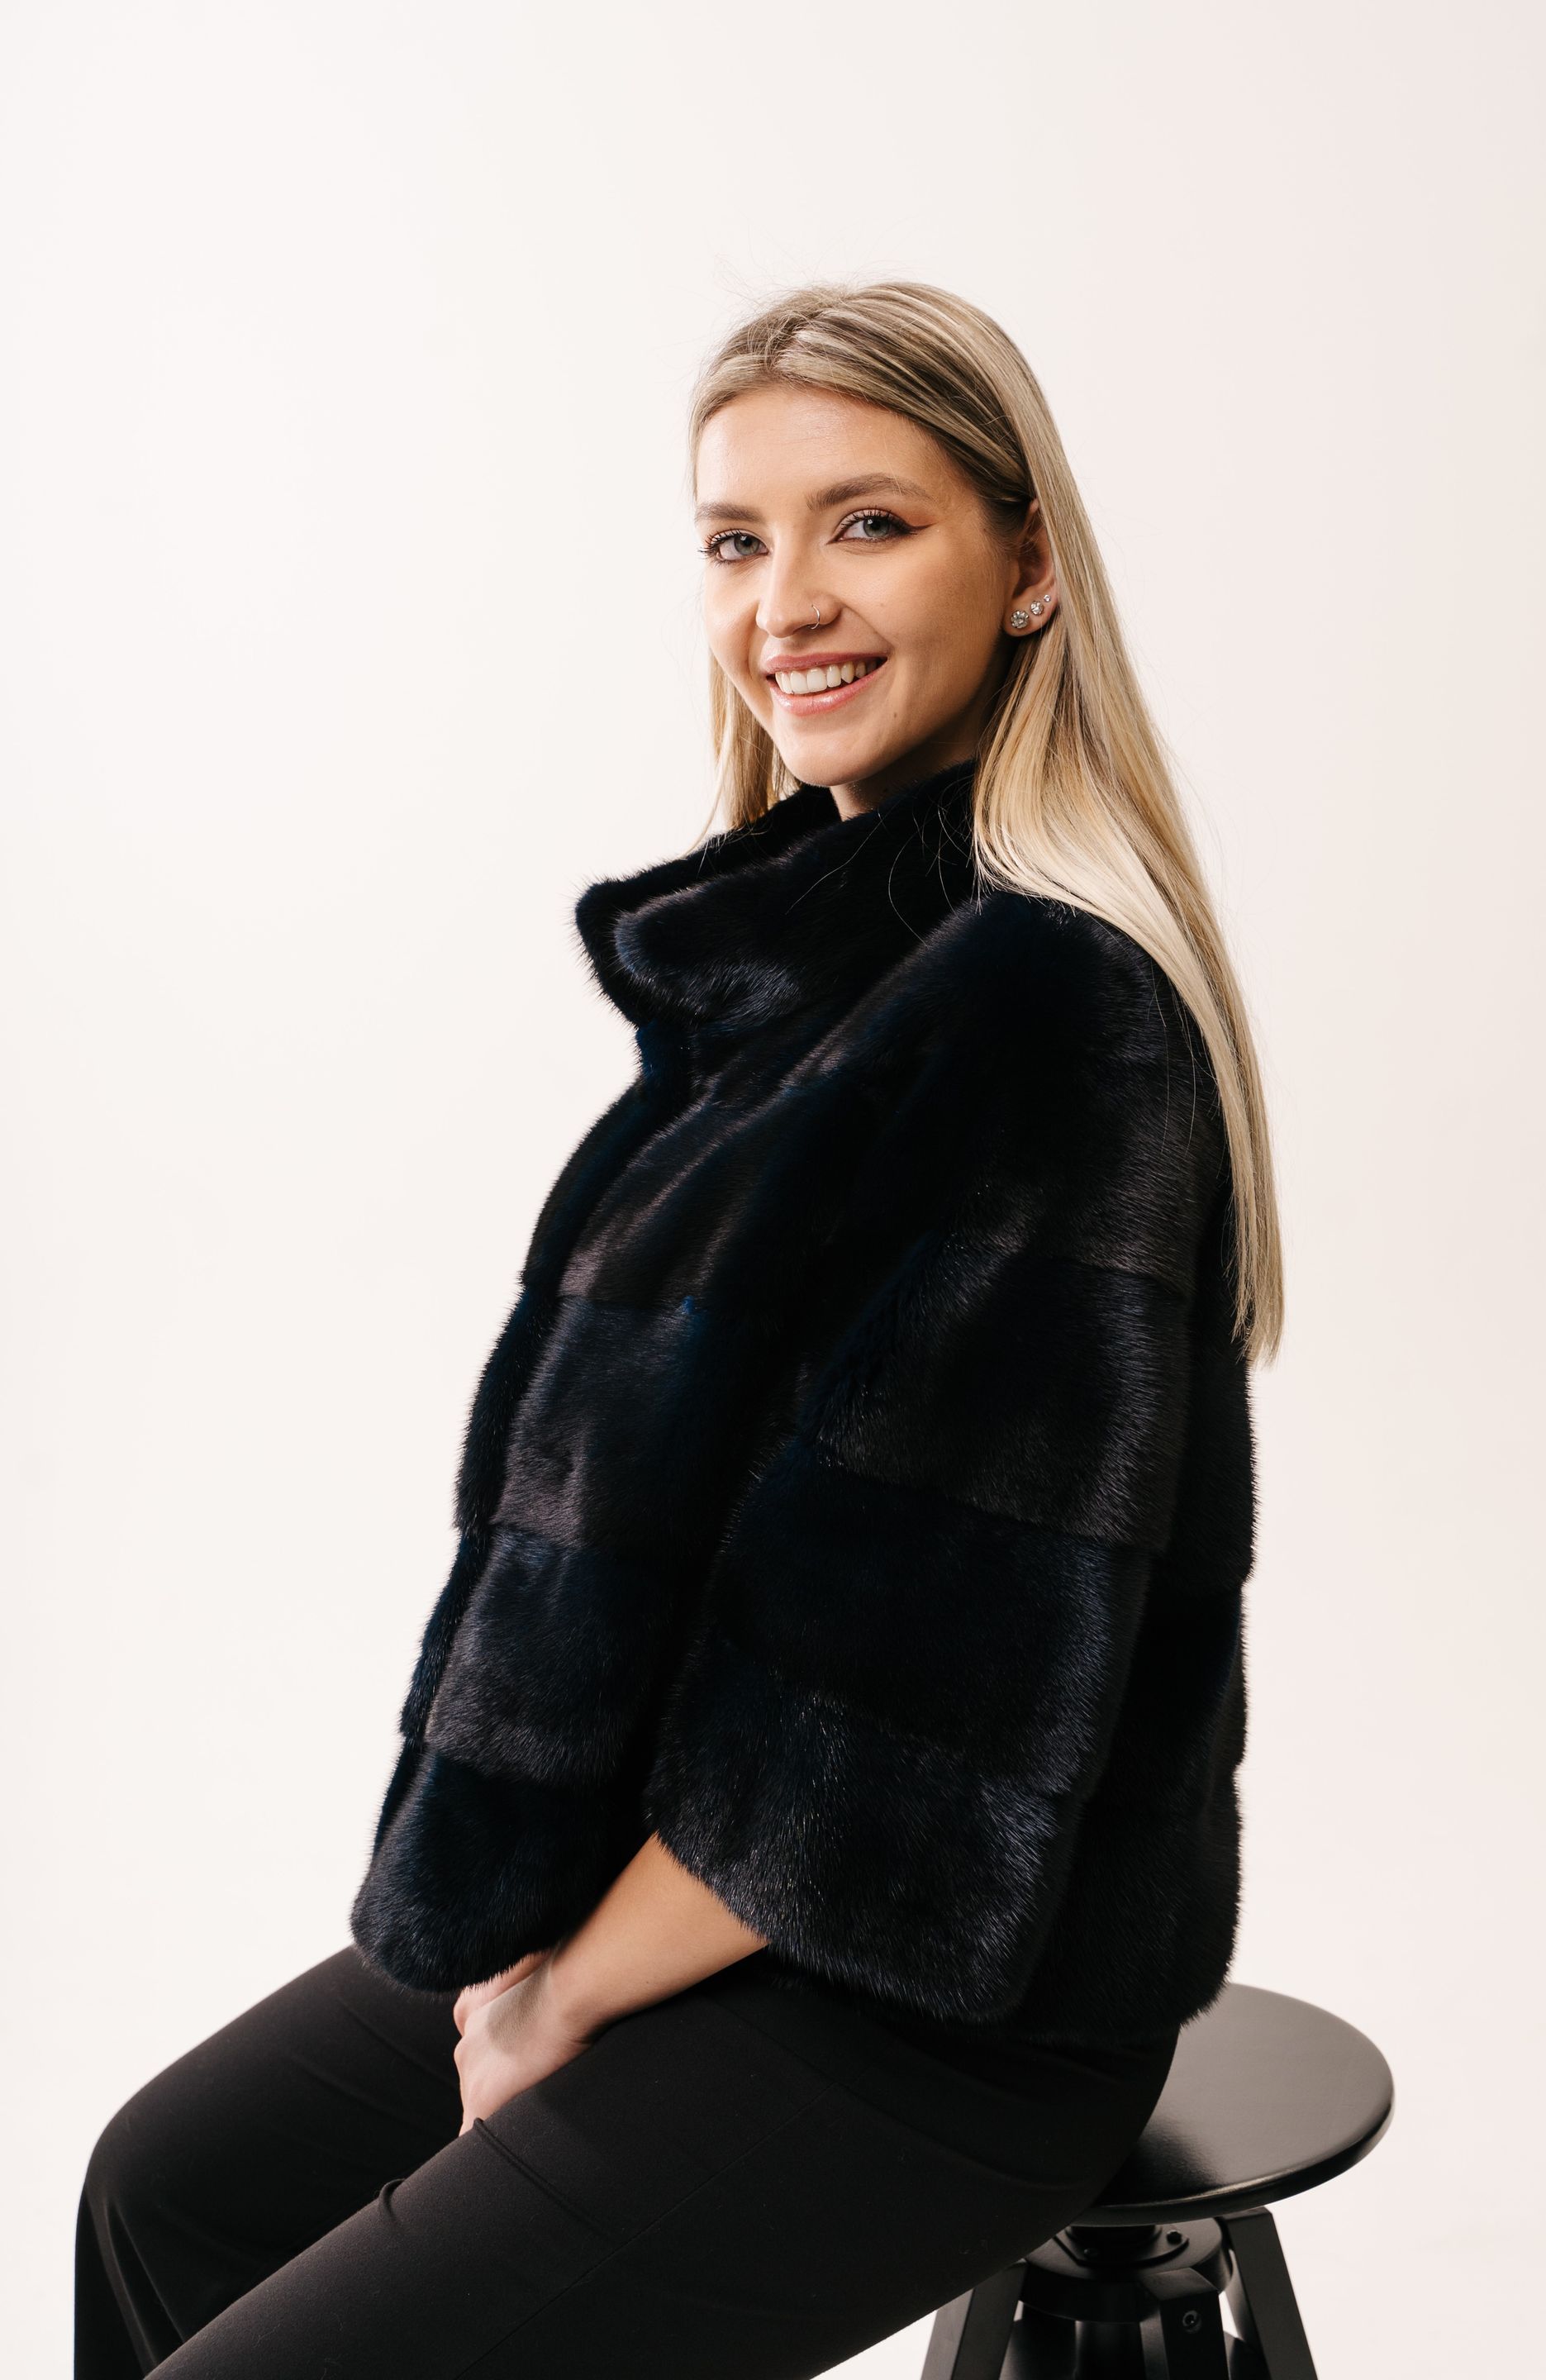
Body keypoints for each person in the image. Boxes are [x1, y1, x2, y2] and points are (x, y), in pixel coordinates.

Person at [76, 278, 1281, 2379]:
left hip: (924, 1986)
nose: (785, 602)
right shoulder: (798, 974)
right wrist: (527, 1912)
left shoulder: (1043, 1014)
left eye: (868, 523)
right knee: (166, 2186)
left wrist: (560, 1997)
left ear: (1028, 569)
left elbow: (900, 1721)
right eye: (736, 539)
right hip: (665, 1871)